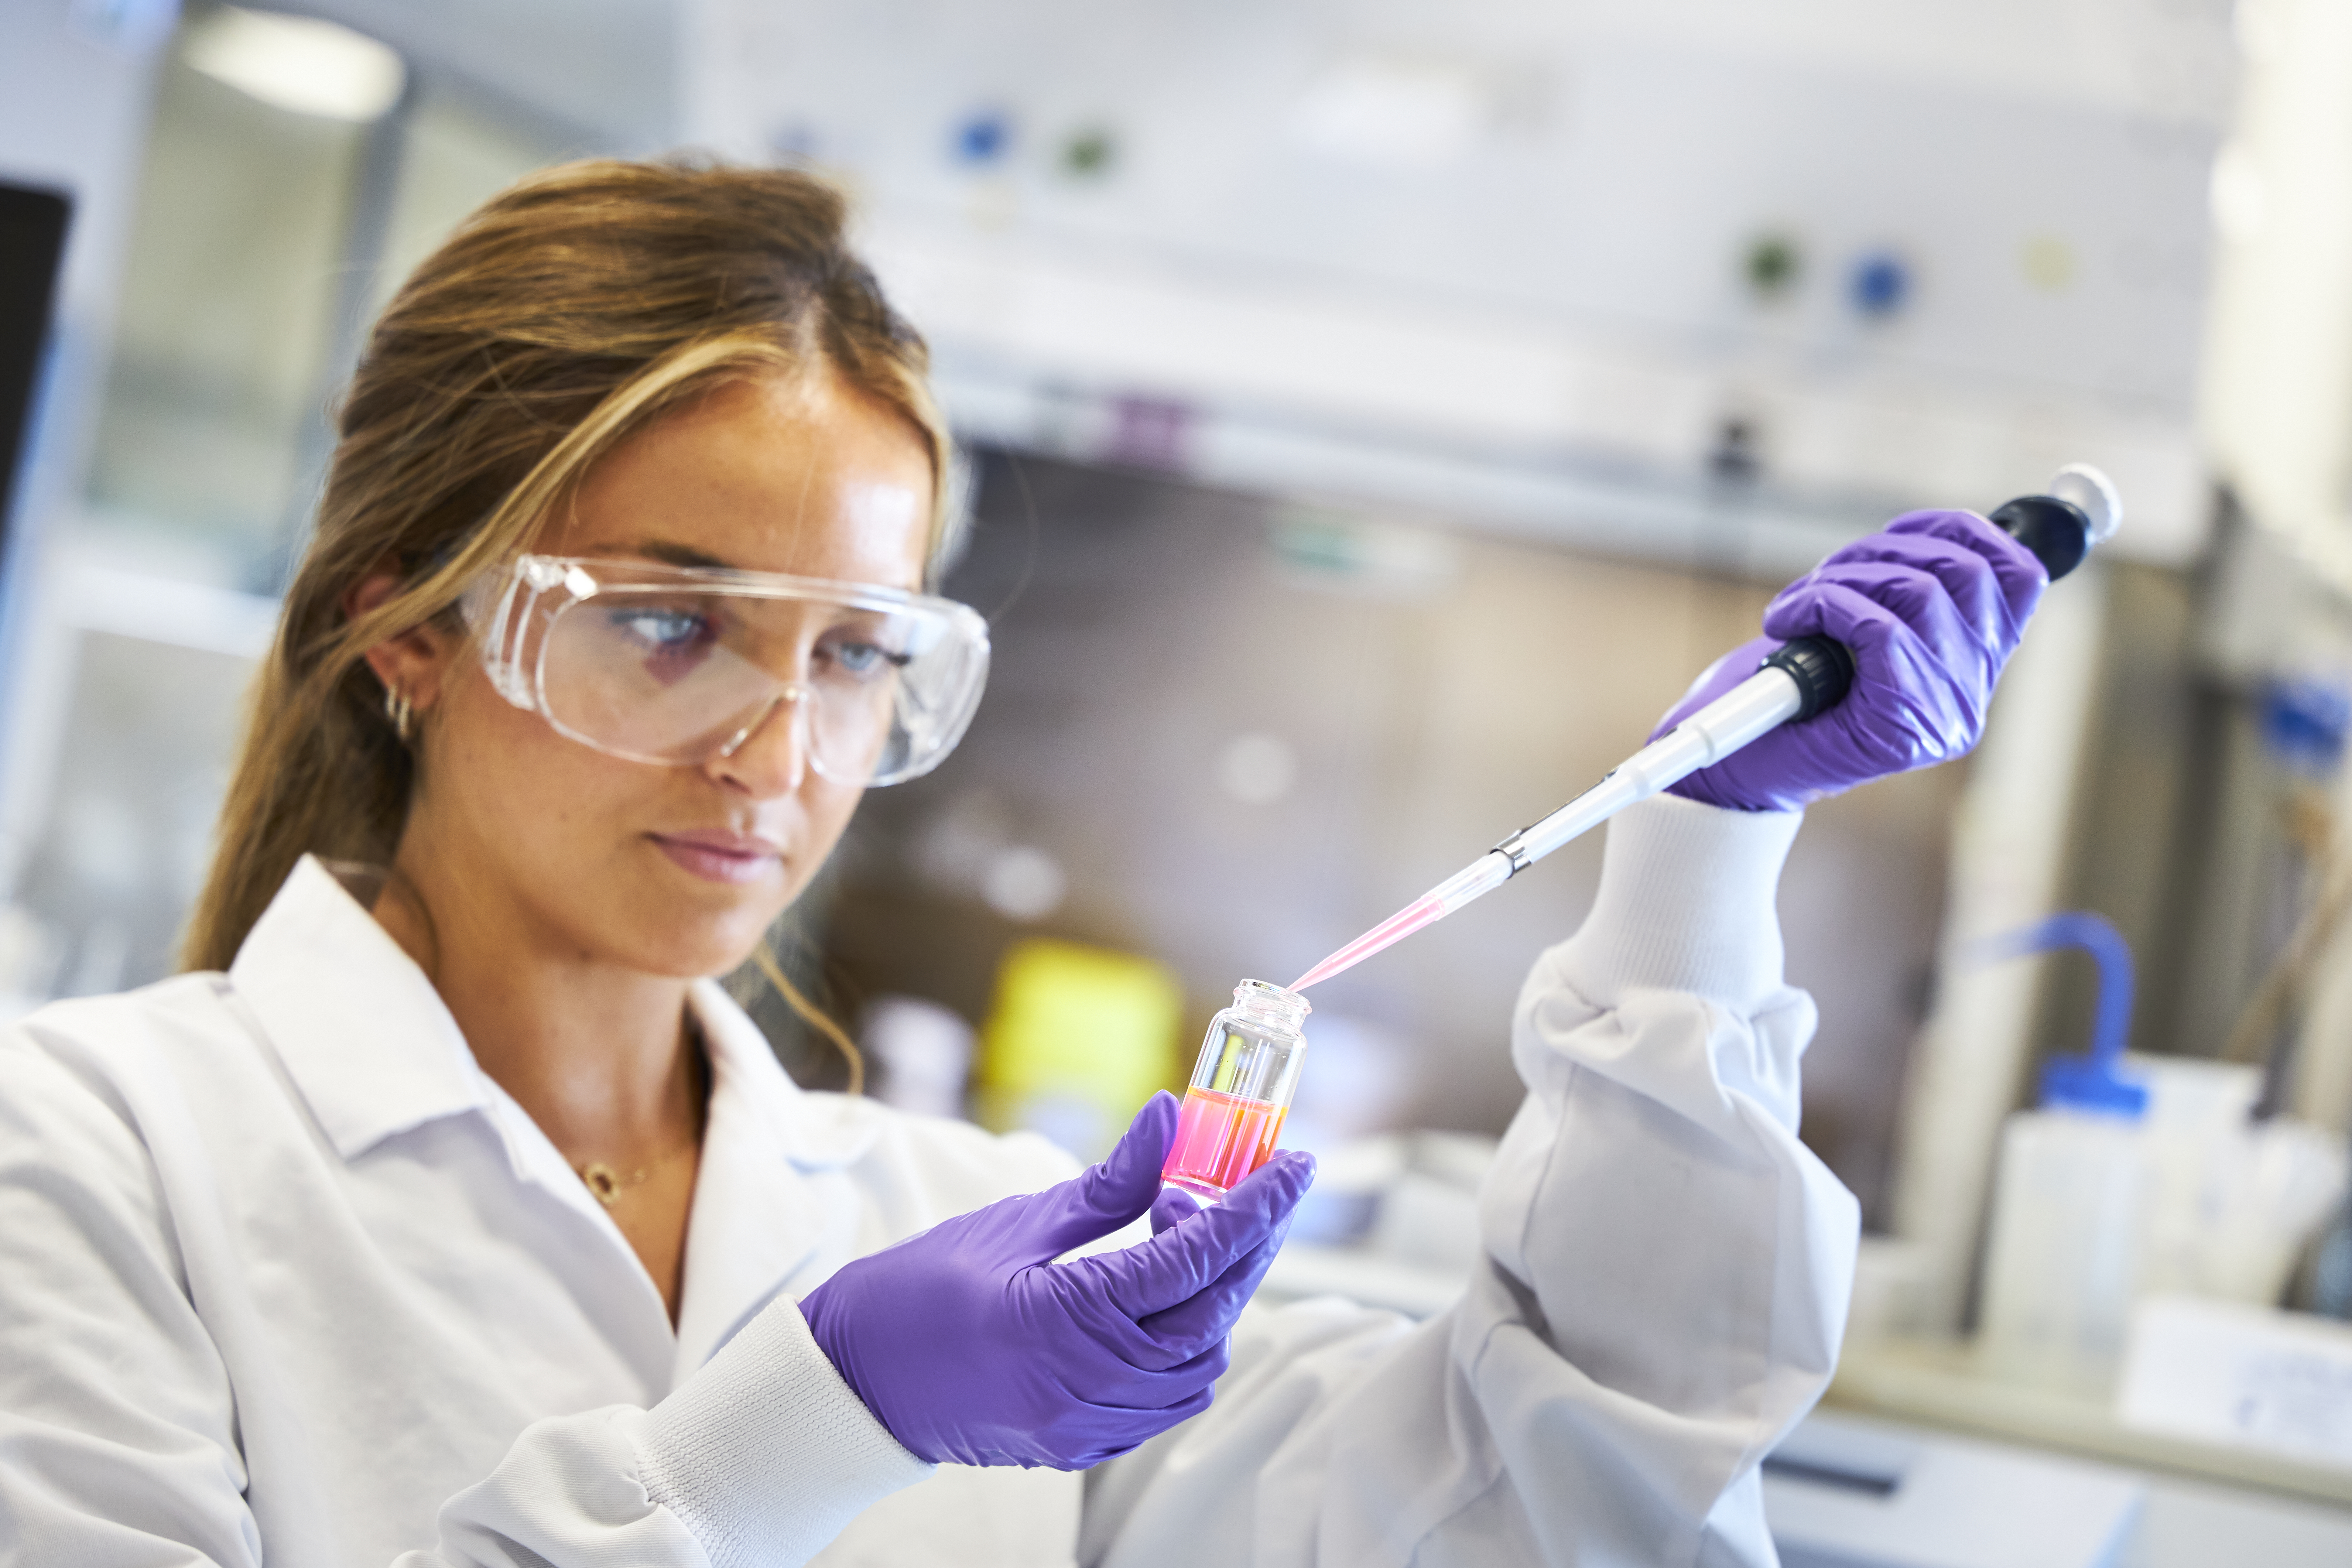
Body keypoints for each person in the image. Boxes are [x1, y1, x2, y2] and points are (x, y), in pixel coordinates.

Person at [0, 161, 2044, 1567]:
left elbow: (1583, 1508)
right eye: (667, 620)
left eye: (861, 653)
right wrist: (821, 1418)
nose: (779, 752)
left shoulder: (972, 1237)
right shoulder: (91, 1160)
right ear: (412, 635)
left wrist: (1707, 846)